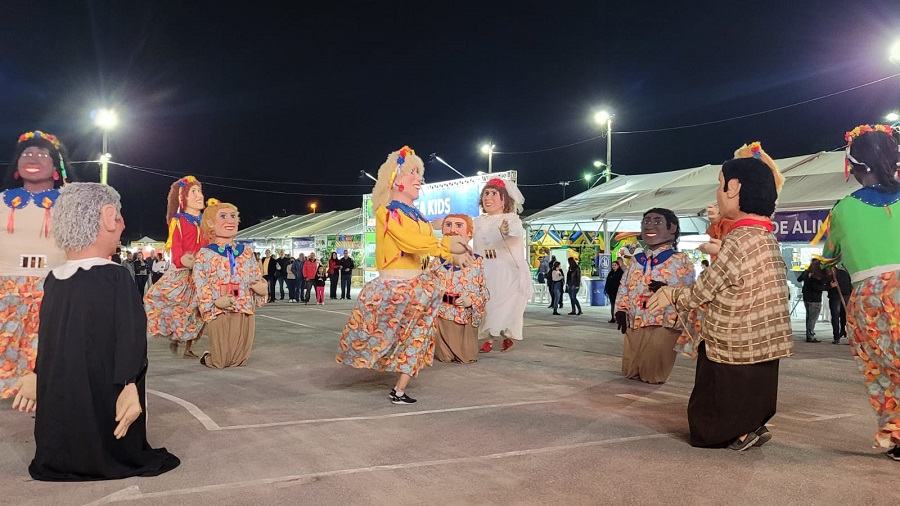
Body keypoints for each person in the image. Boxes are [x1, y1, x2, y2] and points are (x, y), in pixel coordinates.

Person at [15, 182, 180, 480]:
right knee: (108, 423)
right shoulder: (115, 277)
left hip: (61, 392)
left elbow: (48, 335)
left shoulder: (55, 279)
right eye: (118, 216)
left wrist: (38, 371)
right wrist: (129, 383)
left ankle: (67, 455)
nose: (122, 224)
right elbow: (130, 335)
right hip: (107, 382)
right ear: (106, 217)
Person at [648, 148, 792, 451]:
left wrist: (671, 294)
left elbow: (706, 288)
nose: (717, 192)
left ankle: (735, 432)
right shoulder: (766, 236)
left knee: (719, 390)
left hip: (734, 334)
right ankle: (753, 424)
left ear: (735, 188)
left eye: (720, 184)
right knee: (757, 386)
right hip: (766, 335)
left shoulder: (739, 239)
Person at [336, 146, 470, 404]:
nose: (419, 178)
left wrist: (451, 246)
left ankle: (399, 389)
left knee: (418, 339)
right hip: (394, 288)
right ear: (395, 180)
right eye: (413, 172)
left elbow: (428, 244)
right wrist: (446, 245)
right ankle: (376, 364)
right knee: (380, 339)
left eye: (420, 172)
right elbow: (410, 243)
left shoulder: (418, 216)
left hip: (418, 287)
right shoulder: (386, 211)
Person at [811, 124, 900, 459]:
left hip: (871, 299)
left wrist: (823, 263)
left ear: (855, 167)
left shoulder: (842, 210)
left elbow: (830, 256)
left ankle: (897, 434)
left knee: (883, 369)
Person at [1, 130, 71, 400]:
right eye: (27, 153)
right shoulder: (1, 201)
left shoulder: (70, 204)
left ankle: (47, 394)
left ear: (56, 167)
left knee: (51, 348)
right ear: (16, 165)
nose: (33, 158)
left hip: (55, 288)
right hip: (6, 292)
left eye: (43, 154)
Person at [615, 208, 696, 384]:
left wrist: (669, 290)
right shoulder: (636, 261)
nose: (649, 226)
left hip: (663, 321)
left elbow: (690, 290)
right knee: (631, 369)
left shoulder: (680, 260)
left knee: (653, 371)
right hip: (636, 319)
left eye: (657, 222)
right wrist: (621, 310)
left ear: (672, 228)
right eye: (646, 222)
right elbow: (624, 286)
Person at [193, 201, 268, 369]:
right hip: (220, 308)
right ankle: (207, 358)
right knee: (221, 360)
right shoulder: (205, 254)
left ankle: (233, 357)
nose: (230, 220)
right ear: (211, 223)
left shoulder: (246, 252)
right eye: (223, 216)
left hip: (243, 307)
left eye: (233, 216)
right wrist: (213, 303)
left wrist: (262, 290)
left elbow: (257, 277)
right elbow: (200, 284)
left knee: (240, 359)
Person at [143, 176, 206, 359]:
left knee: (198, 312)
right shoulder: (178, 220)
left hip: (200, 273)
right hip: (182, 272)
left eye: (200, 191)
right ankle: (173, 335)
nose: (199, 195)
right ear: (183, 197)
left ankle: (188, 347)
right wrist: (182, 260)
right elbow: (176, 247)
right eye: (193, 191)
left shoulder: (204, 221)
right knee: (173, 304)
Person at [474, 178, 533, 352]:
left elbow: (513, 235)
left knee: (501, 305)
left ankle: (501, 336)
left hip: (505, 269)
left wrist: (506, 232)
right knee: (486, 304)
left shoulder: (512, 219)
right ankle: (490, 337)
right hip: (483, 268)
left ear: (504, 199)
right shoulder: (478, 221)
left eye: (493, 193)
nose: (488, 197)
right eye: (486, 193)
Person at [431, 214, 489, 363]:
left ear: (469, 234)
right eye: (448, 225)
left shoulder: (476, 261)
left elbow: (485, 292)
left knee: (467, 356)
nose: (452, 230)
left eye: (459, 226)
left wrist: (472, 301)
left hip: (465, 319)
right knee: (444, 357)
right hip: (442, 318)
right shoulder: (436, 262)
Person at [797, 259, 828, 343]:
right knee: (813, 318)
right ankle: (810, 335)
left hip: (806, 297)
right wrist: (829, 287)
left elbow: (798, 279)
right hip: (814, 299)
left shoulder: (807, 273)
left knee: (809, 317)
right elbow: (817, 287)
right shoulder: (817, 276)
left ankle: (809, 333)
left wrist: (806, 276)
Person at [827, 265, 851, 344]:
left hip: (837, 296)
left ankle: (837, 336)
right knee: (843, 315)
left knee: (836, 316)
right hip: (845, 295)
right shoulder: (844, 273)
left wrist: (830, 286)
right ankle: (843, 332)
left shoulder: (832, 275)